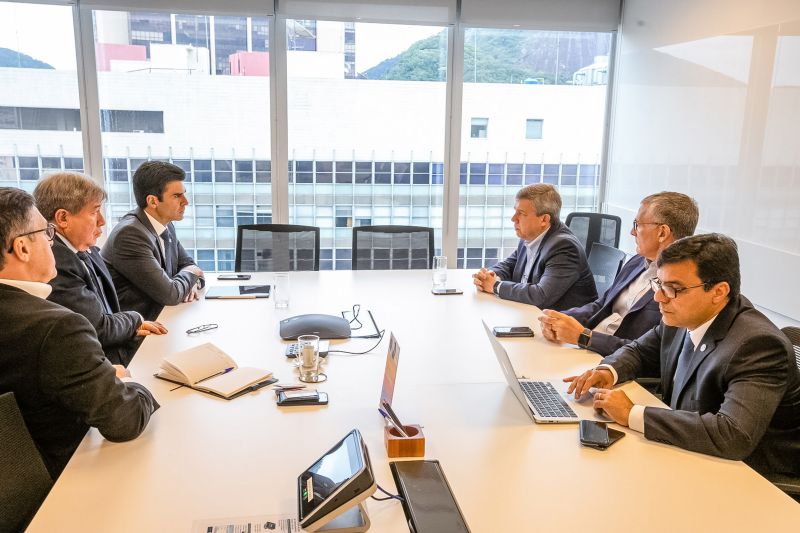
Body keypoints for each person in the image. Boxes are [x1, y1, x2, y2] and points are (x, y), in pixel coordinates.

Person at [566, 234, 800, 476]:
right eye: (659, 284)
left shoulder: (757, 344)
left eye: (674, 289)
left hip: (750, 476)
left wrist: (633, 414)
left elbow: (733, 434)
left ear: (719, 292)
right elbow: (640, 350)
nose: (659, 297)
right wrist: (607, 371)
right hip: (689, 451)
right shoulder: (682, 315)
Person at [0, 187, 159, 479]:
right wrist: (127, 382)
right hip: (64, 485)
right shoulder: (57, 328)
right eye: (46, 233)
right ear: (22, 248)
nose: (53, 243)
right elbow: (126, 420)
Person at [538, 192, 699, 356]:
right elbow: (601, 305)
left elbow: (650, 352)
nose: (632, 232)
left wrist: (584, 337)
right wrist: (558, 319)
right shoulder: (637, 262)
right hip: (586, 350)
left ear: (662, 232)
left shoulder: (682, 287)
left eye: (637, 225)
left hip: (613, 362)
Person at [33, 172, 167, 366]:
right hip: (99, 365)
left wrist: (131, 325)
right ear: (63, 218)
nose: (102, 221)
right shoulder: (55, 262)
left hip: (116, 349)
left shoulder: (88, 250)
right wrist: (135, 319)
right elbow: (98, 327)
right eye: (95, 211)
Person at [102, 161, 205, 321]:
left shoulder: (165, 224)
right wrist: (191, 275)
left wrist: (191, 278)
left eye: (184, 193)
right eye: (177, 196)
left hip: (164, 318)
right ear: (152, 201)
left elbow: (188, 264)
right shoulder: (130, 234)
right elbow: (171, 294)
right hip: (138, 331)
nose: (186, 201)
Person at [472, 184, 597, 310]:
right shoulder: (529, 236)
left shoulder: (564, 248)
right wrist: (489, 275)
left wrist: (495, 286)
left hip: (559, 323)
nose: (513, 218)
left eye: (521, 213)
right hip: (529, 314)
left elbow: (541, 296)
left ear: (544, 219)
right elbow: (509, 265)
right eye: (515, 211)